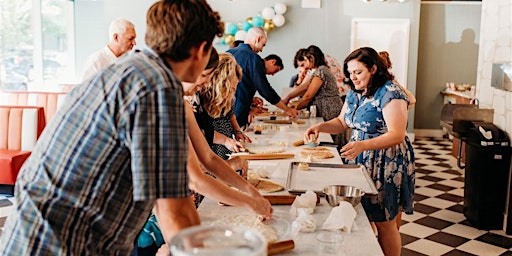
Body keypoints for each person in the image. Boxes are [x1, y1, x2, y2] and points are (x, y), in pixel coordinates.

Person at [0, 1, 224, 255]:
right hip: (60, 243)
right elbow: (176, 214)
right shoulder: (159, 88)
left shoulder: (129, 71)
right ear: (201, 49)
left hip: (30, 234)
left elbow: (167, 201)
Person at [304, 47, 415, 256]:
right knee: (363, 215)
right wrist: (320, 127)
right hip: (359, 160)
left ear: (373, 69)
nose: (353, 77)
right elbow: (342, 122)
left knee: (385, 222)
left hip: (386, 162)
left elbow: (397, 134)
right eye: (350, 72)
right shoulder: (355, 93)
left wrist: (363, 145)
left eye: (358, 72)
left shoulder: (391, 92)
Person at [227, 27, 298, 128]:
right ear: (258, 39)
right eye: (263, 45)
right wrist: (287, 110)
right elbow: (264, 89)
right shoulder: (254, 58)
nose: (261, 50)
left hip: (223, 112)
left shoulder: (228, 53)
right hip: (238, 112)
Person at [283, 45, 344, 146]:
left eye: (306, 61)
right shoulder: (317, 71)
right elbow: (303, 86)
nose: (306, 65)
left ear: (312, 58)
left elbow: (308, 96)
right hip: (326, 107)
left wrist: (294, 110)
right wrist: (288, 97)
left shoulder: (321, 71)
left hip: (329, 109)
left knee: (330, 141)